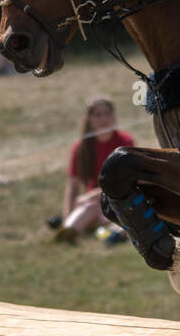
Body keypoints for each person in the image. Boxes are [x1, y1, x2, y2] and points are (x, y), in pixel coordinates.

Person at [55, 97, 134, 240]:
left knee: (123, 216)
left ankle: (112, 232)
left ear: (113, 116)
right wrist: (68, 215)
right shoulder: (81, 148)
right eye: (98, 114)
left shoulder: (125, 143)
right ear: (89, 119)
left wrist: (91, 195)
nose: (104, 118)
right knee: (87, 209)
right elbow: (72, 187)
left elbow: (127, 181)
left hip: (120, 201)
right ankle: (67, 231)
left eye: (107, 113)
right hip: (95, 206)